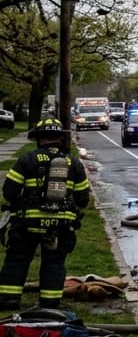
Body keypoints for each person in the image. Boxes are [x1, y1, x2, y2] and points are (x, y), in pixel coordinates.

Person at [0, 119, 92, 310]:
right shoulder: (74, 163)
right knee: (54, 263)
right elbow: (83, 199)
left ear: (38, 138)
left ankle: (9, 300)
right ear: (60, 138)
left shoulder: (26, 159)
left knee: (17, 259)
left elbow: (9, 192)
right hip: (60, 225)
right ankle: (50, 302)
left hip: (28, 223)